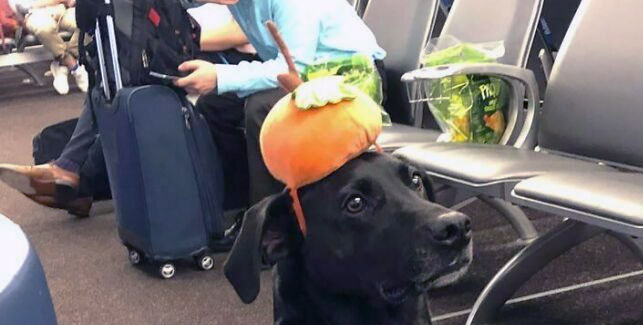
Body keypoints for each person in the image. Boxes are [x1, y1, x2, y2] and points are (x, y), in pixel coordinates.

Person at [0, 6, 253, 217]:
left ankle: (75, 177)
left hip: (219, 57)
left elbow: (243, 32)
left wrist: (172, 39)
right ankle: (73, 174)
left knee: (129, 86)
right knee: (119, 83)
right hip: (186, 46)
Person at [175, 0, 386, 205]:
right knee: (213, 106)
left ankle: (273, 213)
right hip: (305, 71)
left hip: (351, 74)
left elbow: (294, 67)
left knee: (263, 108)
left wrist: (220, 76)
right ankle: (237, 207)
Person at [13, 0, 88, 94]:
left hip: (63, 9)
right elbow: (22, 5)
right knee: (43, 28)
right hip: (36, 14)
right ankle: (74, 65)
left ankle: (63, 62)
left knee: (90, 20)